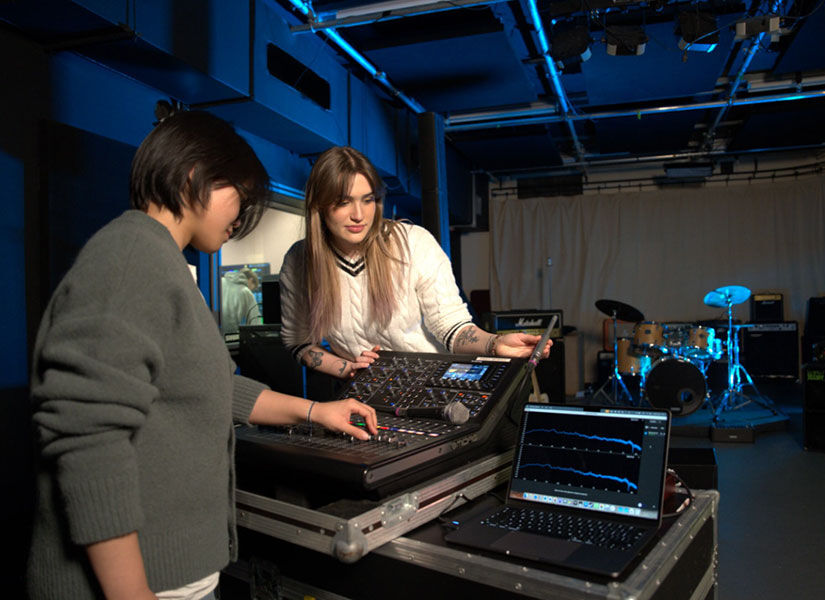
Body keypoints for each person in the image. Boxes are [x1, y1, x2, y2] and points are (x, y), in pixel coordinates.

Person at [27, 109, 377, 600]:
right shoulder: (131, 259)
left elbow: (208, 385)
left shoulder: (162, 262)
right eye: (240, 195)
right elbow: (88, 436)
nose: (240, 217)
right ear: (196, 177)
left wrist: (318, 411)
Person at [279, 145, 550, 378]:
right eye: (343, 202)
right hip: (362, 394)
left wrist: (495, 344)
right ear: (319, 206)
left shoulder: (412, 243)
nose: (359, 215)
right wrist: (347, 369)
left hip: (436, 385)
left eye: (368, 200)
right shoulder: (299, 262)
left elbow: (451, 326)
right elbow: (298, 342)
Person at [221, 267, 262, 335]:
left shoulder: (220, 282)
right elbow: (255, 321)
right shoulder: (245, 291)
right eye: (252, 288)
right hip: (231, 337)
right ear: (251, 280)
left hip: (213, 332)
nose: (251, 290)